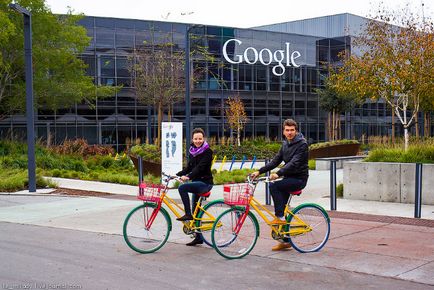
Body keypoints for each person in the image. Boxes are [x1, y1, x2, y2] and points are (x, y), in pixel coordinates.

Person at [251, 119, 309, 251]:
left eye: (292, 130)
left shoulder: (302, 144)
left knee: (274, 186)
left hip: (299, 179)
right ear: (283, 131)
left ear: (296, 130)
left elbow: (294, 163)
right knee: (280, 201)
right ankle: (285, 241)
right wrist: (259, 171)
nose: (289, 133)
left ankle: (280, 218)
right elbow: (275, 161)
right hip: (288, 178)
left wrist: (279, 173)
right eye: (287, 130)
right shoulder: (285, 144)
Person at [176, 128, 214, 246]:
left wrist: (188, 177)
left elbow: (200, 168)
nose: (198, 141)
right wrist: (177, 174)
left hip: (205, 184)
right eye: (196, 139)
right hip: (196, 184)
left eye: (200, 139)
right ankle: (199, 237)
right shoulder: (192, 151)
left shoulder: (208, 152)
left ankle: (188, 215)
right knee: (196, 211)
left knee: (182, 188)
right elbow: (189, 167)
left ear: (203, 139)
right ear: (192, 139)